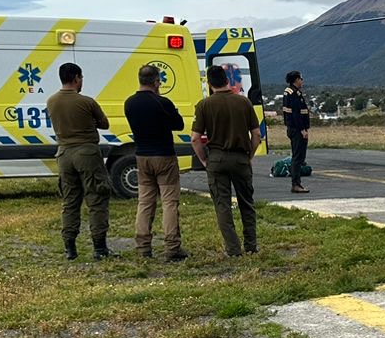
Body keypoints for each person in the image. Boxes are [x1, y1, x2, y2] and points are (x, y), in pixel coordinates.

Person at [192, 64, 262, 257]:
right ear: (227, 80)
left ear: (209, 83)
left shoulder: (204, 105)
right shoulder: (244, 103)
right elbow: (256, 135)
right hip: (240, 158)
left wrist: (204, 160)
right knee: (246, 202)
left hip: (217, 158)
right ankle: (251, 245)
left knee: (222, 205)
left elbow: (195, 138)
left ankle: (232, 248)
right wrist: (249, 156)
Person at [46, 62, 111, 260]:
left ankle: (70, 248)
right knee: (96, 197)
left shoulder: (52, 101)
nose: (81, 82)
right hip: (87, 152)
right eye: (81, 78)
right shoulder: (87, 102)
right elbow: (104, 124)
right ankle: (99, 248)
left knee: (70, 201)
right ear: (76, 78)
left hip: (64, 154)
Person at [123, 63, 187, 261]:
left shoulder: (129, 103)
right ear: (156, 81)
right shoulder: (162, 102)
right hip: (164, 155)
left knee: (145, 202)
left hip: (142, 156)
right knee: (169, 201)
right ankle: (172, 246)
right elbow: (178, 124)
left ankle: (143, 246)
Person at [280, 70, 311, 195]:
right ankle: (296, 184)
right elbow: (296, 114)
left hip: (294, 129)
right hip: (297, 130)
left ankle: (297, 183)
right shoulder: (293, 94)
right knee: (298, 157)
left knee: (298, 157)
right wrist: (302, 129)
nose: (302, 81)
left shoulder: (292, 92)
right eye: (301, 79)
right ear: (296, 80)